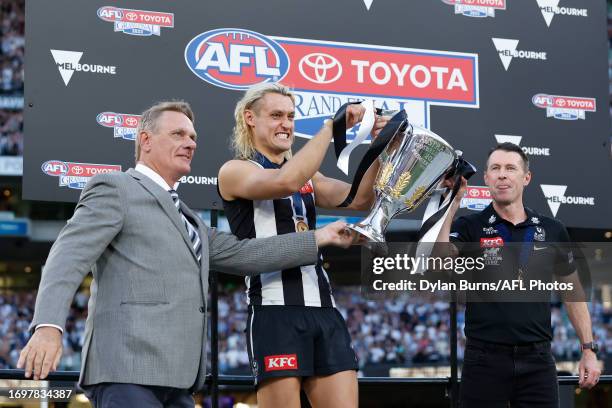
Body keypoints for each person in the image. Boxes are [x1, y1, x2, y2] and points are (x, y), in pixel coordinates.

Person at [17, 101, 356, 408]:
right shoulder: (115, 187)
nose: (191, 142)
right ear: (146, 141)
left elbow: (244, 255)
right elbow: (67, 255)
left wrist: (318, 238)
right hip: (126, 371)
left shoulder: (190, 218)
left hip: (179, 383)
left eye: (193, 136)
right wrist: (48, 327)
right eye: (178, 133)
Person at [218, 82, 388, 408]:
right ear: (250, 118)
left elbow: (360, 199)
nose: (286, 124)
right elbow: (285, 182)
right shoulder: (235, 170)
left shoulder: (309, 177)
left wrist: (380, 147)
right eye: (277, 115)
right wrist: (330, 128)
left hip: (325, 310)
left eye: (292, 116)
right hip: (274, 312)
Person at [437, 142, 600, 407]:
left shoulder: (552, 229)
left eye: (510, 168)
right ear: (487, 178)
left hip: (538, 361)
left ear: (526, 178)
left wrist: (588, 349)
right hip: (484, 359)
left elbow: (573, 293)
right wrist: (453, 203)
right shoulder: (468, 226)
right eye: (495, 168)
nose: (502, 174)